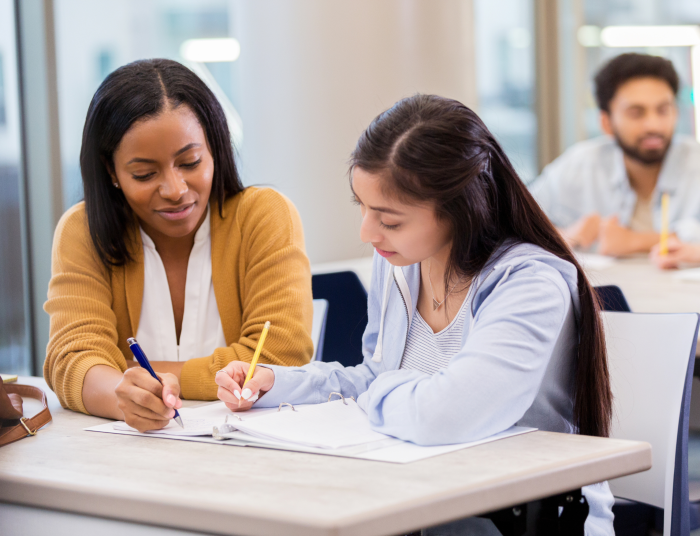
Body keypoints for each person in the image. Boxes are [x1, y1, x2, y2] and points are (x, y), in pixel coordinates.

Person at [215, 95, 615, 535]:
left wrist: (386, 393)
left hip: (525, 519)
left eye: (390, 220)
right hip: (427, 502)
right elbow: (378, 377)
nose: (366, 233)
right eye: (362, 207)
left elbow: (444, 414)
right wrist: (279, 383)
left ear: (462, 207)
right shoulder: (401, 263)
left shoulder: (529, 285)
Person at [43, 59, 313, 432]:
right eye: (144, 174)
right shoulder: (83, 230)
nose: (175, 190)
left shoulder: (264, 216)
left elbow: (281, 357)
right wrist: (125, 399)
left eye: (190, 162)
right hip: (123, 456)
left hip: (249, 456)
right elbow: (72, 359)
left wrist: (141, 373)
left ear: (215, 148)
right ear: (111, 171)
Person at [531, 53, 700, 256]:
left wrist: (634, 241)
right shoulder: (580, 165)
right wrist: (566, 235)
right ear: (606, 122)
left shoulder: (695, 162)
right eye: (636, 113)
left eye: (663, 110)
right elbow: (506, 227)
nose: (653, 125)